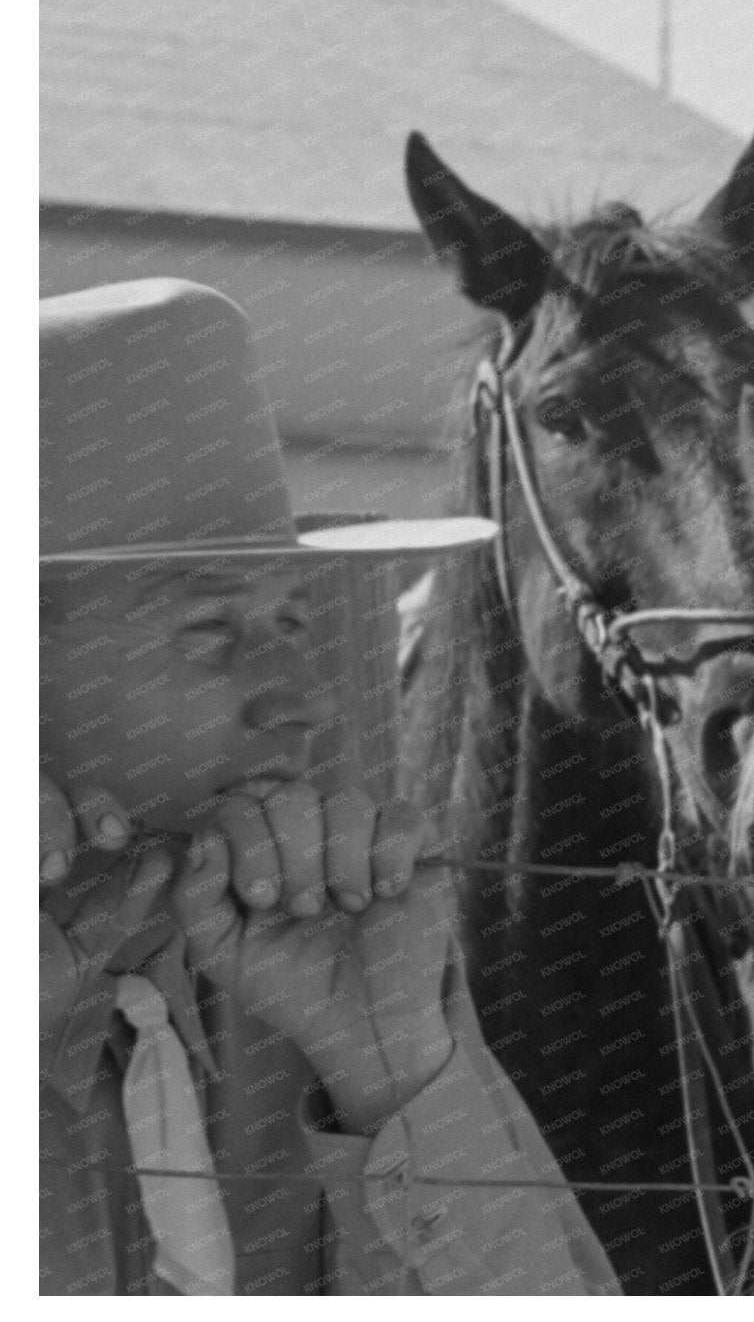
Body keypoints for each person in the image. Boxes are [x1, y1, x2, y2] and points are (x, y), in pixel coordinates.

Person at [39, 278, 620, 1295]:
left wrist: (395, 1076)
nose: (305, 704)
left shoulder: (328, 959)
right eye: (213, 630)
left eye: (297, 622)